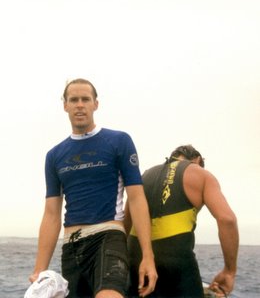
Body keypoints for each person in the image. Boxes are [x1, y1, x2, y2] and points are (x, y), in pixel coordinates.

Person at [29, 78, 157, 298]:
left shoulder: (119, 141)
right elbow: (51, 214)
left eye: (85, 99)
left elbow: (136, 199)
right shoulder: (54, 155)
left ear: (95, 104)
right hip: (71, 248)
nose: (80, 104)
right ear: (65, 105)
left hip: (108, 238)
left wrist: (148, 256)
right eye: (74, 99)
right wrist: (39, 269)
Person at [126, 145, 239, 298]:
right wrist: (229, 271)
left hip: (137, 261)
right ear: (197, 160)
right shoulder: (199, 173)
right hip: (176, 263)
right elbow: (227, 220)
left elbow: (125, 223)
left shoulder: (144, 175)